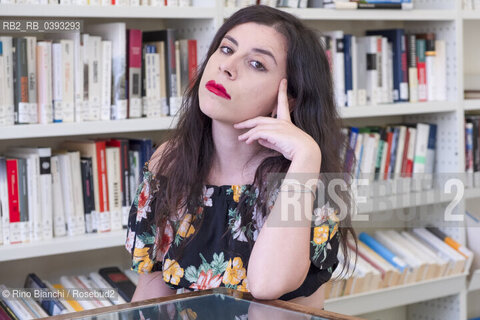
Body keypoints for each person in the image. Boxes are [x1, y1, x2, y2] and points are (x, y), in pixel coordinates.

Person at [125, 4, 356, 310]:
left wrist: (306, 154)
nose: (227, 66)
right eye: (225, 49)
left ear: (287, 98)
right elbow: (151, 296)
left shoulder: (312, 176)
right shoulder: (168, 161)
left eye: (256, 64)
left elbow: (267, 285)